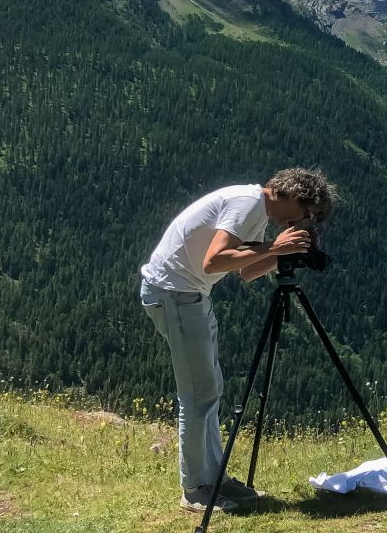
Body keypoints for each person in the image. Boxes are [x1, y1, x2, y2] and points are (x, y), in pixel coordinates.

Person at [139, 167, 336, 514]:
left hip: (189, 295)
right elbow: (213, 261)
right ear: (287, 196)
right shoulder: (247, 204)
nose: (305, 220)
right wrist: (275, 245)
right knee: (198, 395)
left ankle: (214, 477)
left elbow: (246, 271)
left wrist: (284, 254)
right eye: (305, 213)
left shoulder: (258, 210)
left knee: (210, 389)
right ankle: (196, 488)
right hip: (175, 294)